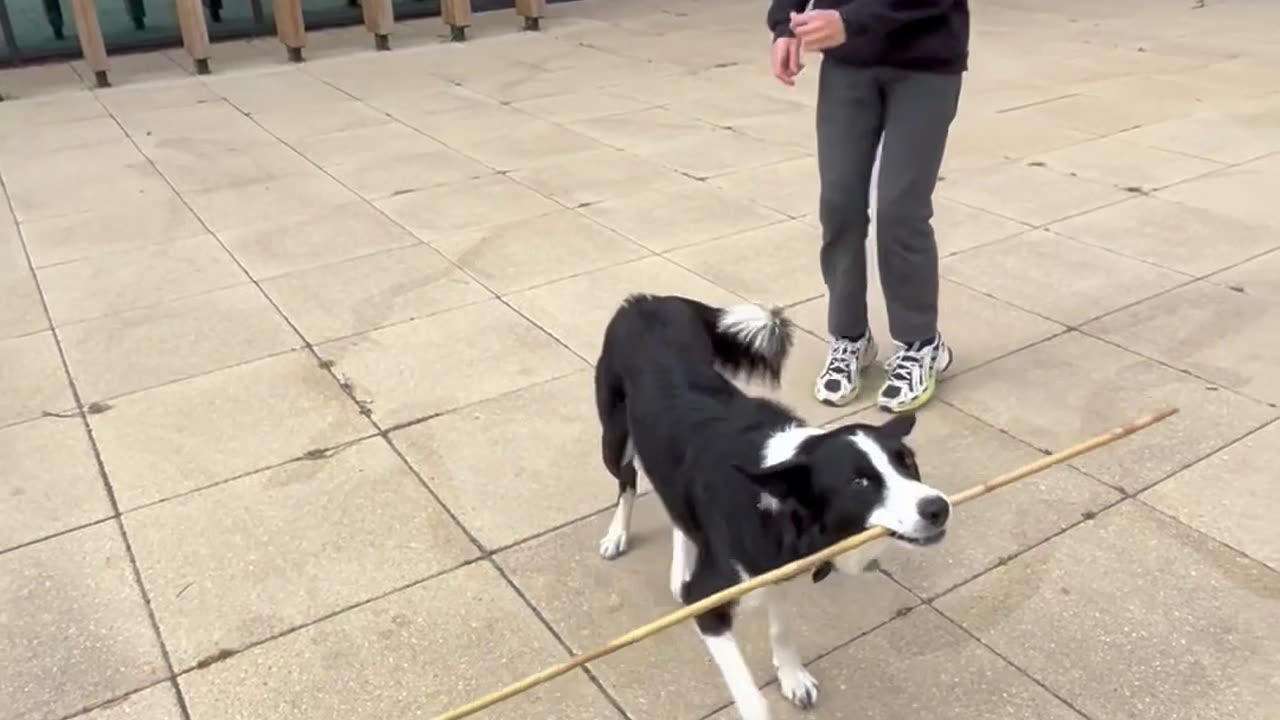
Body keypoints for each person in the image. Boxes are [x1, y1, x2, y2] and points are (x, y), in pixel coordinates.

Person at [767, 0, 969, 413]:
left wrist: (851, 21)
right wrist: (784, 24)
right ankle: (850, 339)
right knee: (839, 204)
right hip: (849, 63)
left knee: (900, 208)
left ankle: (920, 344)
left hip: (925, 62)